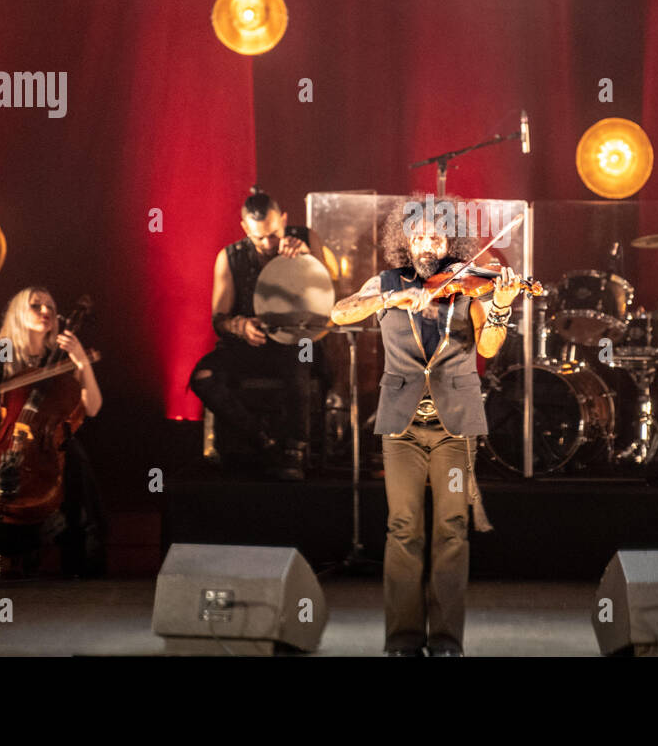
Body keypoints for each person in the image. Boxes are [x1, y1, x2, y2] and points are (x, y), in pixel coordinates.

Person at [331, 197, 525, 656]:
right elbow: (339, 313)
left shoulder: (469, 285)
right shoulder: (386, 282)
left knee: (452, 530)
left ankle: (445, 640)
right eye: (417, 236)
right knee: (403, 529)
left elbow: (490, 348)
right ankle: (402, 639)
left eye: (436, 236)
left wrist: (499, 306)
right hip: (401, 427)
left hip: (454, 426)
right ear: (405, 239)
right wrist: (388, 298)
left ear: (450, 241)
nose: (426, 244)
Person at [0, 287, 106, 578]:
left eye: (50, 306)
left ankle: (82, 558)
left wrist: (82, 362)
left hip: (46, 438)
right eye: (36, 306)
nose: (45, 312)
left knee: (77, 463)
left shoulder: (61, 353)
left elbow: (93, 407)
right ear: (17, 312)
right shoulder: (2, 347)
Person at [189, 189, 325, 480]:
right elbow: (219, 318)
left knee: (298, 356)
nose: (267, 243)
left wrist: (307, 260)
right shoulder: (230, 257)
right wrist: (239, 326)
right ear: (245, 229)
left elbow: (328, 298)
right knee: (202, 377)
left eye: (274, 234)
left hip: (295, 342)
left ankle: (294, 449)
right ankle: (263, 439)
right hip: (250, 346)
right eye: (258, 237)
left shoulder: (306, 239)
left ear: (284, 220)